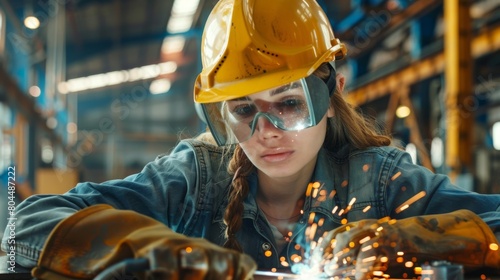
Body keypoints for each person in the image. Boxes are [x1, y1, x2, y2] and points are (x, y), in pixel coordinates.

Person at [2, 0, 500, 279]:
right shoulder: (195, 179)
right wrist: (144, 245)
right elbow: (24, 226)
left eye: (288, 104)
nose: (266, 134)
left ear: (331, 92)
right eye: (243, 111)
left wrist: (415, 238)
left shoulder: (383, 181)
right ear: (220, 114)